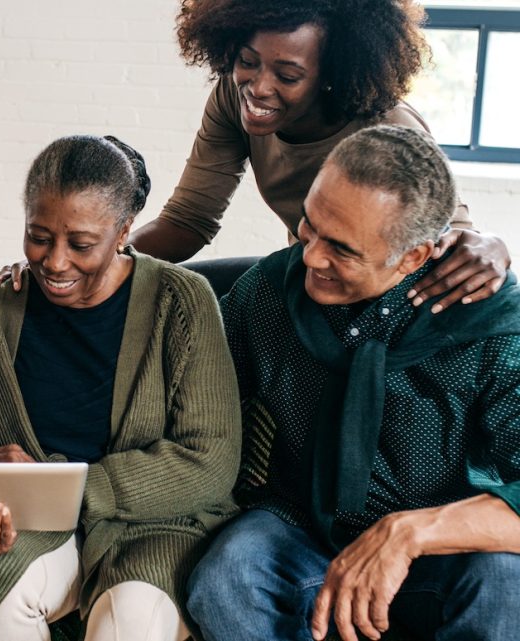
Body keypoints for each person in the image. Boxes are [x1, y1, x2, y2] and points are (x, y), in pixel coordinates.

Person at [185, 125, 520, 641]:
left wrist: (407, 533)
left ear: (413, 256)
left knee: (505, 584)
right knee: (227, 577)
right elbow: (184, 392)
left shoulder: (491, 326)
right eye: (310, 225)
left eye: (341, 249)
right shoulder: (269, 293)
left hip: (444, 546)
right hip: (301, 527)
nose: (312, 257)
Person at [0, 0, 510, 314]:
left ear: (333, 74)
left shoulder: (386, 127)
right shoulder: (233, 96)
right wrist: (85, 262)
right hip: (307, 274)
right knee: (178, 293)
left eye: (287, 76)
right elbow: (189, 221)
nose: (258, 88)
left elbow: (453, 235)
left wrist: (493, 246)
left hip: (374, 295)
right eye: (247, 62)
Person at [0, 135, 242, 641]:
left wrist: (67, 488)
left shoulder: (182, 301)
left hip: (155, 526)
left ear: (124, 230)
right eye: (39, 237)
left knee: (130, 623)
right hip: (32, 523)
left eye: (81, 245)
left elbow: (209, 461)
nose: (55, 262)